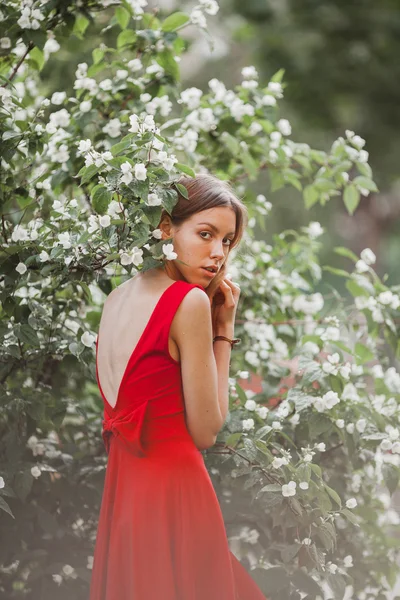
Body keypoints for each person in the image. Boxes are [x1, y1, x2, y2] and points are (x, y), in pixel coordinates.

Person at [89, 173, 266, 599]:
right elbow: (206, 430)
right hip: (176, 493)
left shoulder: (117, 298)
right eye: (205, 234)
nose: (217, 253)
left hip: (126, 496)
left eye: (227, 241)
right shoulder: (189, 302)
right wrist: (224, 328)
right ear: (166, 227)